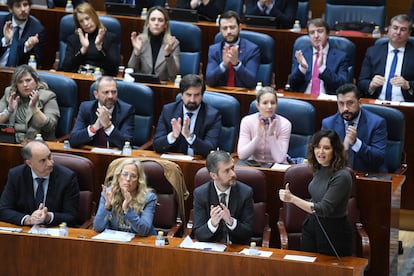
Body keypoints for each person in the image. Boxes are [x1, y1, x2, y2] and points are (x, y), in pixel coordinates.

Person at [279, 129, 353, 256]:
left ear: (335, 151)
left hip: (333, 231)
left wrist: (292, 199)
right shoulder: (319, 168)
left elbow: (323, 208)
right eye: (317, 147)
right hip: (312, 225)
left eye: (326, 148)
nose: (320, 152)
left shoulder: (342, 176)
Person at [0, 140, 80, 226]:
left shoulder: (67, 177)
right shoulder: (16, 175)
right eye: (43, 160)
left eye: (49, 157)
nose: (50, 163)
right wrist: (28, 219)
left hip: (54, 231)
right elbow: (4, 210)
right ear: (29, 163)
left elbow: (72, 216)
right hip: (25, 232)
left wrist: (48, 217)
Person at [322, 83, 387, 173]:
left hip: (367, 175)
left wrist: (356, 143)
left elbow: (378, 158)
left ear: (360, 103)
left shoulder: (376, 123)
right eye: (341, 103)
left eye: (350, 103)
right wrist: (341, 150)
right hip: (338, 176)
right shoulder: (328, 123)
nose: (345, 108)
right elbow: (323, 155)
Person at [193, 150, 254, 244]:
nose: (233, 174)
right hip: (211, 250)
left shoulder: (245, 192)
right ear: (213, 175)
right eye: (227, 171)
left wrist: (231, 222)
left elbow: (248, 232)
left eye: (232, 168)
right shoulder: (201, 194)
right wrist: (212, 224)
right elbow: (198, 234)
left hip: (236, 250)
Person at [153, 74, 221, 158]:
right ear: (181, 95)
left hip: (199, 164)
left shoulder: (212, 115)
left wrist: (190, 137)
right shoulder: (169, 111)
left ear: (202, 95)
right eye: (188, 95)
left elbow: (210, 150)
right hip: (173, 162)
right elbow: (156, 145)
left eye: (196, 95)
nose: (192, 100)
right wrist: (173, 136)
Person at [93, 158, 157, 236]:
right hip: (117, 242)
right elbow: (98, 228)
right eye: (125, 174)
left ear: (138, 180)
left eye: (133, 176)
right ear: (118, 176)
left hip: (140, 243)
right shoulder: (108, 194)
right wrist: (107, 207)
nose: (128, 179)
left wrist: (127, 210)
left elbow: (144, 231)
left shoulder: (148, 198)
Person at [358, 14, 414, 102]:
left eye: (403, 29)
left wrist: (408, 85)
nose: (398, 32)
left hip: (406, 104)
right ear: (388, 29)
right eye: (395, 28)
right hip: (378, 103)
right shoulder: (373, 52)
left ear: (409, 33)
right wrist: (371, 84)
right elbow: (361, 82)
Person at [69, 76, 135, 149]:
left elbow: (127, 144)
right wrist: (94, 128)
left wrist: (108, 127)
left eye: (114, 92)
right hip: (90, 154)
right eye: (106, 92)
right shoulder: (86, 108)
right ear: (96, 94)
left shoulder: (126, 110)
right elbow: (73, 140)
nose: (110, 96)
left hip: (115, 156)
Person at [0, 64, 60, 143]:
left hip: (36, 144)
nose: (25, 85)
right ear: (16, 85)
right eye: (20, 82)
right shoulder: (10, 94)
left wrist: (34, 108)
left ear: (36, 81)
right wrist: (9, 111)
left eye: (28, 80)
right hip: (10, 142)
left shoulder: (48, 96)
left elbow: (50, 127)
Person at [289, 18, 349, 95]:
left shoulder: (341, 57)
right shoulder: (302, 55)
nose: (316, 36)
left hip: (327, 102)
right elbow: (292, 85)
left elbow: (343, 86)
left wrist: (322, 69)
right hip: (304, 99)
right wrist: (302, 68)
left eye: (320, 31)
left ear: (327, 34)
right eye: (312, 32)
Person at [61, 2, 120, 76]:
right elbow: (65, 68)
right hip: (78, 79)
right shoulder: (73, 39)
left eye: (87, 18)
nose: (85, 23)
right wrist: (82, 50)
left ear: (94, 16)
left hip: (100, 80)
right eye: (81, 21)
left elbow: (114, 69)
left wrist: (100, 48)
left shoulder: (110, 37)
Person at [205, 10, 260, 89]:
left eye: (232, 27)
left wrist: (237, 64)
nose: (229, 31)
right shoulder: (214, 50)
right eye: (224, 28)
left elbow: (251, 82)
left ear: (240, 28)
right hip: (221, 95)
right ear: (220, 30)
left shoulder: (252, 49)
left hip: (243, 95)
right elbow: (209, 81)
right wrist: (224, 65)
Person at [237, 86, 291, 165]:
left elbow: (279, 159)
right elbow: (242, 156)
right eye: (265, 103)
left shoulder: (285, 124)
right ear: (258, 105)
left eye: (273, 103)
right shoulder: (247, 121)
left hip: (275, 166)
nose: (269, 107)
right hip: (253, 165)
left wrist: (271, 136)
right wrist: (258, 136)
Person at [127, 6, 180, 82]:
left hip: (163, 86)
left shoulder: (173, 43)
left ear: (165, 25)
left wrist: (168, 54)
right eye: (153, 19)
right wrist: (137, 52)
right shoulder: (140, 40)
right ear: (148, 23)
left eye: (160, 20)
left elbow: (174, 73)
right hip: (142, 84)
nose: (156, 23)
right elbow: (131, 69)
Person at [0, 0, 45, 67]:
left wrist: (27, 48)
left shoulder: (37, 29)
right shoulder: (1, 22)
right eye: (18, 6)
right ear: (10, 9)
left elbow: (38, 62)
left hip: (19, 74)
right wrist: (5, 41)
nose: (23, 9)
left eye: (25, 5)